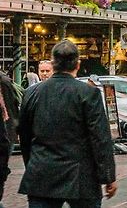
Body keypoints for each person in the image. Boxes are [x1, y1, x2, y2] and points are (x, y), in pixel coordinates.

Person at [18, 39, 117, 207]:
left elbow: (24, 135)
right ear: (77, 65)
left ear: (52, 64)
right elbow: (100, 137)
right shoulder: (88, 93)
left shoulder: (32, 93)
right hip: (81, 175)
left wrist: (32, 164)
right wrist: (108, 176)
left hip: (42, 172)